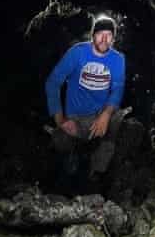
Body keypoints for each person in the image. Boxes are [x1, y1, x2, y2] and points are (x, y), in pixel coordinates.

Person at [45, 15, 126, 183]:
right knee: (60, 141)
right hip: (75, 116)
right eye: (100, 34)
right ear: (92, 36)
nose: (104, 39)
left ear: (113, 38)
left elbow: (117, 89)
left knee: (120, 125)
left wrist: (106, 114)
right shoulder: (77, 53)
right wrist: (60, 120)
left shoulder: (118, 59)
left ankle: (97, 172)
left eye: (109, 35)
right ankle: (69, 160)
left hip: (98, 115)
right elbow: (53, 83)